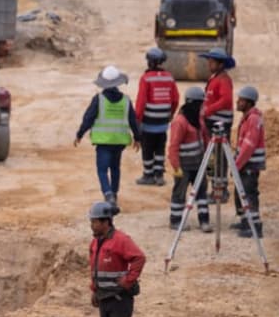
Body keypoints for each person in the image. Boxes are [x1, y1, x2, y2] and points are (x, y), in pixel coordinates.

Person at [86, 201, 145, 317]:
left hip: (120, 297)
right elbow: (94, 269)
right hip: (104, 296)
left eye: (95, 222)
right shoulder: (95, 243)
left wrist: (128, 280)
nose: (92, 225)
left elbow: (139, 258)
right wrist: (94, 290)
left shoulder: (121, 240)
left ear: (106, 222)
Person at [74, 65, 141, 210]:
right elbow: (133, 120)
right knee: (115, 168)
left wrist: (80, 134)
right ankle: (114, 194)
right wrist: (137, 138)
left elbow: (88, 118)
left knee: (102, 169)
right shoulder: (126, 100)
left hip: (103, 142)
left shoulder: (99, 99)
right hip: (119, 142)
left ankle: (108, 194)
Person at [167, 87, 211, 232]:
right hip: (184, 166)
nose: (201, 107)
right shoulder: (180, 122)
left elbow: (205, 138)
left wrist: (209, 156)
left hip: (198, 164)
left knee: (202, 193)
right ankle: (176, 220)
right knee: (179, 194)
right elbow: (173, 146)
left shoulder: (199, 120)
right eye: (199, 104)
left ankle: (204, 221)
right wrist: (176, 167)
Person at [134, 48, 178, 187]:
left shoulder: (146, 78)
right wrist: (170, 114)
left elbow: (141, 101)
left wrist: (137, 119)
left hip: (148, 121)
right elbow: (175, 98)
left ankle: (148, 175)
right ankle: (159, 175)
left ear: (150, 62)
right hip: (163, 122)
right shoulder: (169, 77)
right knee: (160, 147)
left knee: (147, 148)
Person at [232, 86, 266, 238]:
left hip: (250, 164)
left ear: (249, 102)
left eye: (241, 100)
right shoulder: (248, 117)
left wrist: (236, 165)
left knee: (248, 195)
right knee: (241, 193)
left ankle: (254, 227)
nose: (237, 102)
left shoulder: (253, 119)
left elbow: (248, 146)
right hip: (246, 163)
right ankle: (246, 221)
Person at [199, 48, 235, 134]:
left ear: (221, 64)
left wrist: (208, 110)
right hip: (212, 120)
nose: (209, 64)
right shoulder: (215, 78)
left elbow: (226, 100)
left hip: (219, 122)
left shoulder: (224, 80)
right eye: (209, 62)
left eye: (212, 62)